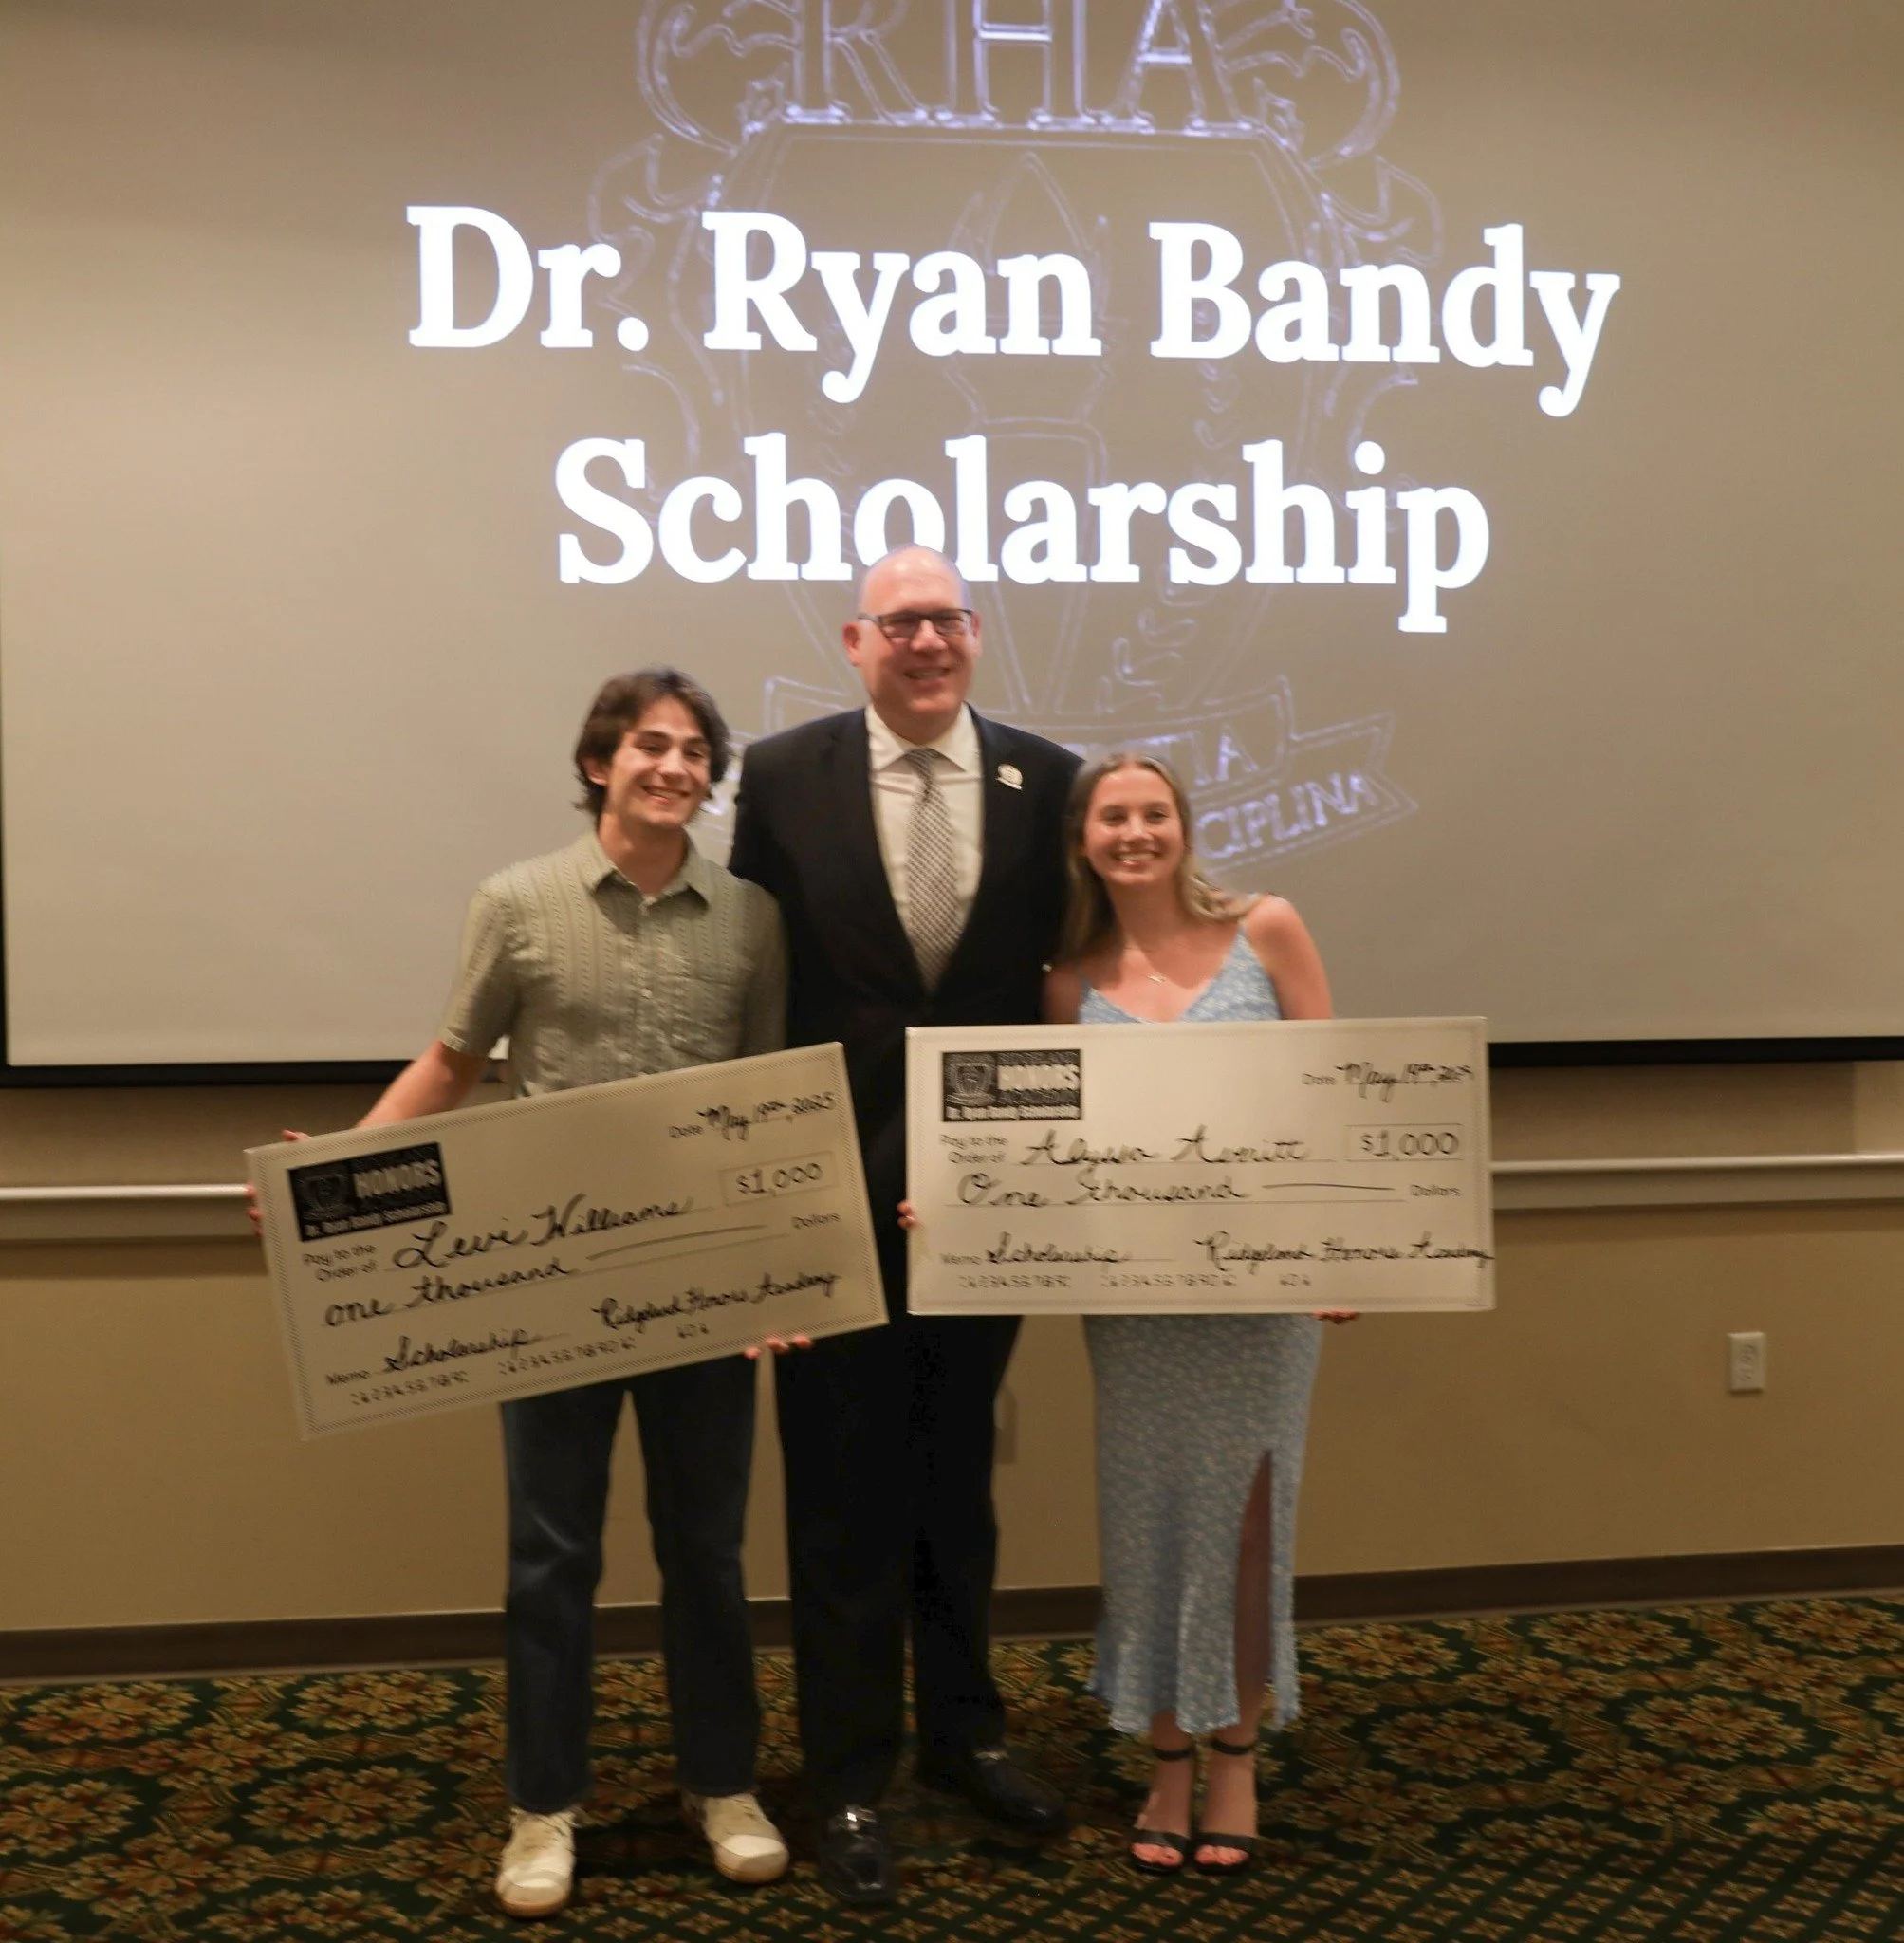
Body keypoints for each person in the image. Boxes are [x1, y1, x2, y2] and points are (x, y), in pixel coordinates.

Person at [251, 670, 794, 1919]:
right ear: (600, 763)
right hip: (549, 1292)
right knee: (551, 1555)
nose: (672, 765)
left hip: (704, 1289)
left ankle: (723, 1785)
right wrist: (323, 1179)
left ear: (710, 776)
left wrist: (780, 1266)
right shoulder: (517, 904)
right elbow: (447, 1067)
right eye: (647, 745)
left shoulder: (751, 919)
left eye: (693, 749)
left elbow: (772, 1106)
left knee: (705, 1551)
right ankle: (543, 1808)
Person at [727, 546, 1081, 1904]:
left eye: (945, 620)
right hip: (826, 1192)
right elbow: (755, 982)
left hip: (986, 1199)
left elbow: (1079, 973)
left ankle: (968, 1738)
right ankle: (849, 1782)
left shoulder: (1045, 780)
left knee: (956, 1486)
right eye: (899, 624)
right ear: (853, 641)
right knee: (834, 1498)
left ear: (975, 635)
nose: (925, 642)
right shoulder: (782, 774)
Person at [1042, 751, 1351, 1878]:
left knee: (1253, 1519)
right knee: (1150, 1514)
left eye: (1154, 813)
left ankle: (1234, 1751)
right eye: (1113, 816)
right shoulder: (1067, 980)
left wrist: (1340, 1248)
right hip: (1135, 1303)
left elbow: (1333, 1096)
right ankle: (1163, 1754)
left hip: (1261, 1297)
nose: (1136, 831)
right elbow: (1042, 1150)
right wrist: (961, 1193)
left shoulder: (1268, 927)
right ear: (1084, 838)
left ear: (1185, 825)